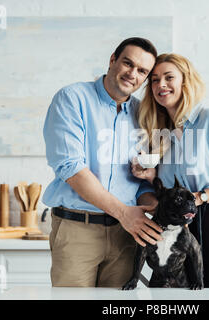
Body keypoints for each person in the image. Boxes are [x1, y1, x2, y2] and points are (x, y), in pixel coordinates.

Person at [42, 37, 163, 287]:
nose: (132, 74)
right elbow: (71, 167)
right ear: (112, 60)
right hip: (78, 229)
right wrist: (124, 213)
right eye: (128, 64)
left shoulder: (144, 114)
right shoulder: (72, 98)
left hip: (126, 235)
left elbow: (141, 183)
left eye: (142, 71)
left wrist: (157, 210)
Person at [131, 53, 209, 288]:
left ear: (185, 82)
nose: (161, 85)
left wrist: (199, 198)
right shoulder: (162, 133)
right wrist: (151, 176)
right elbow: (177, 183)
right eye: (155, 80)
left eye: (169, 77)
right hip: (182, 231)